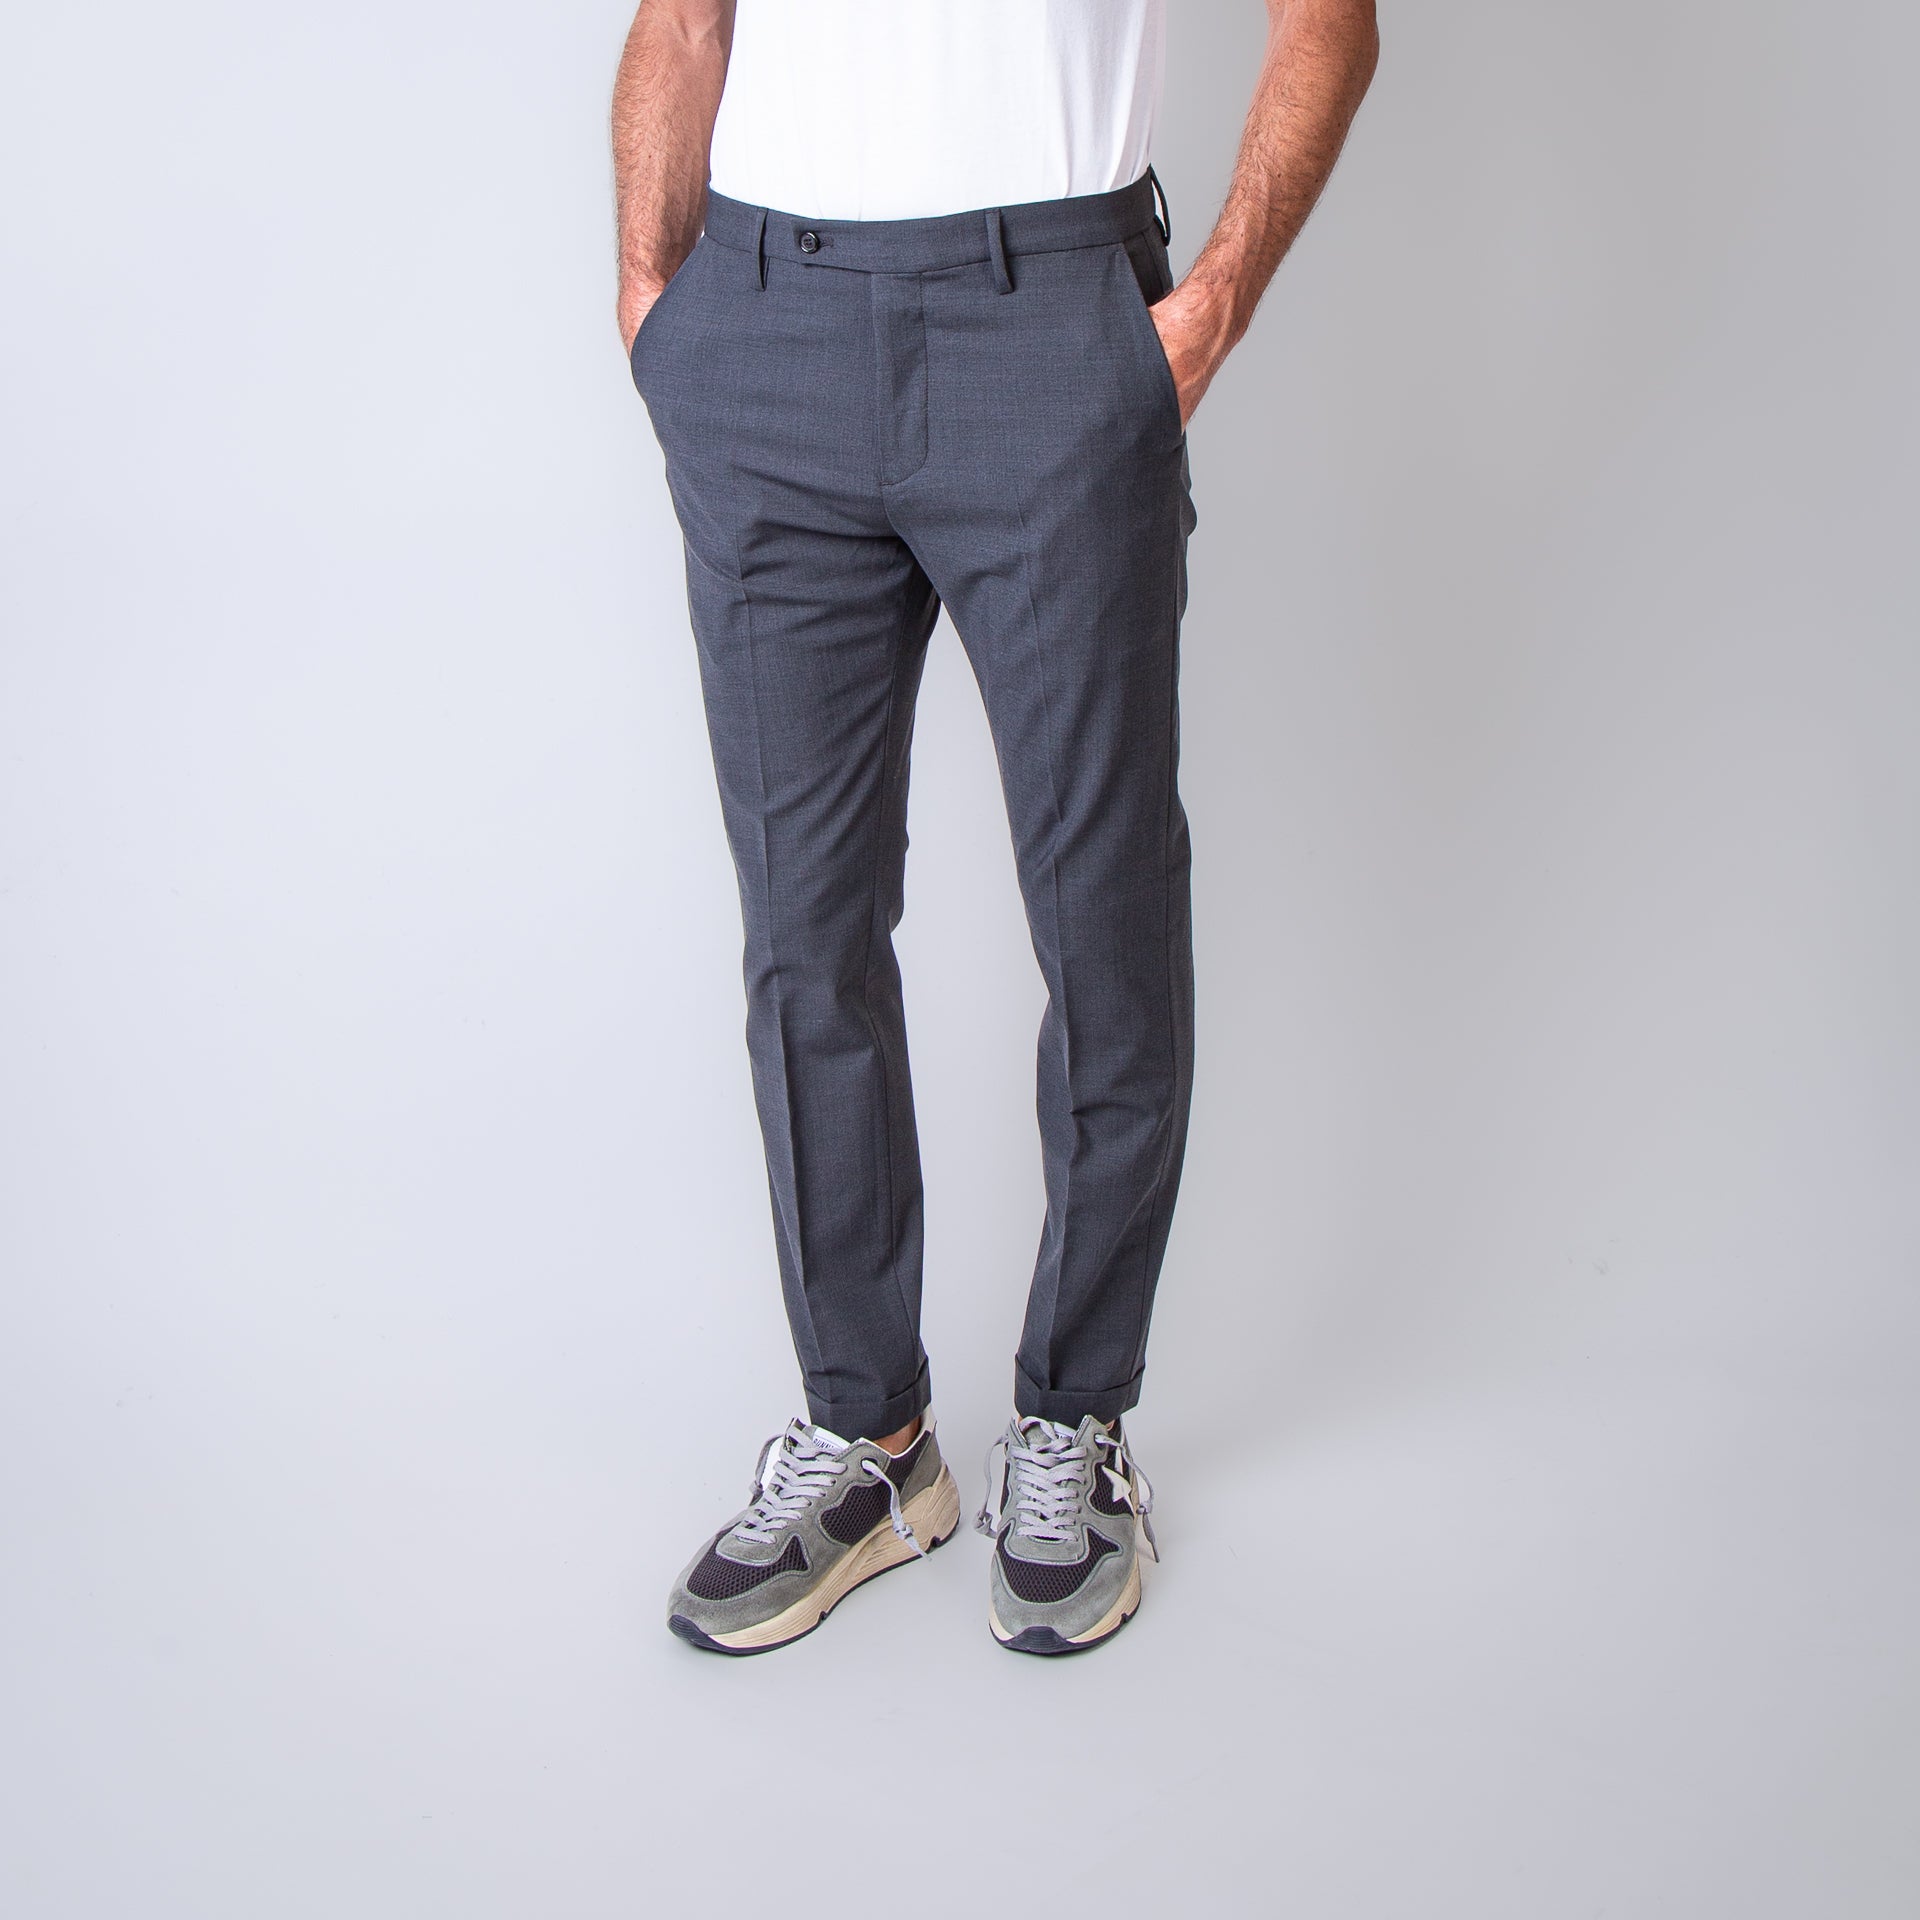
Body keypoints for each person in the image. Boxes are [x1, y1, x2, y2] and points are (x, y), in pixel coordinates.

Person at [611, 0, 1378, 1656]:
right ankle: (870, 1438)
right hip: (761, 327)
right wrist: (654, 304)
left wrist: (1205, 309)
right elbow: (683, 20)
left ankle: (1077, 1419)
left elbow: (1329, 22)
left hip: (1052, 327)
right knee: (804, 935)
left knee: (1102, 911)